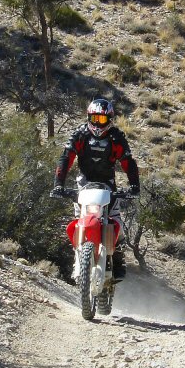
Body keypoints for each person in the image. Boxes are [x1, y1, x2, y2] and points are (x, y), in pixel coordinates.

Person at [52, 98, 140, 281]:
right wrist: (58, 184)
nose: (98, 124)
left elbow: (128, 163)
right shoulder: (80, 135)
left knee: (117, 223)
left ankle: (117, 258)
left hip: (107, 185)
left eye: (102, 119)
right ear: (88, 118)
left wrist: (134, 186)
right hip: (84, 183)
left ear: (110, 120)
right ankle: (80, 257)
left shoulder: (116, 137)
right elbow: (65, 158)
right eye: (94, 119)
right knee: (78, 220)